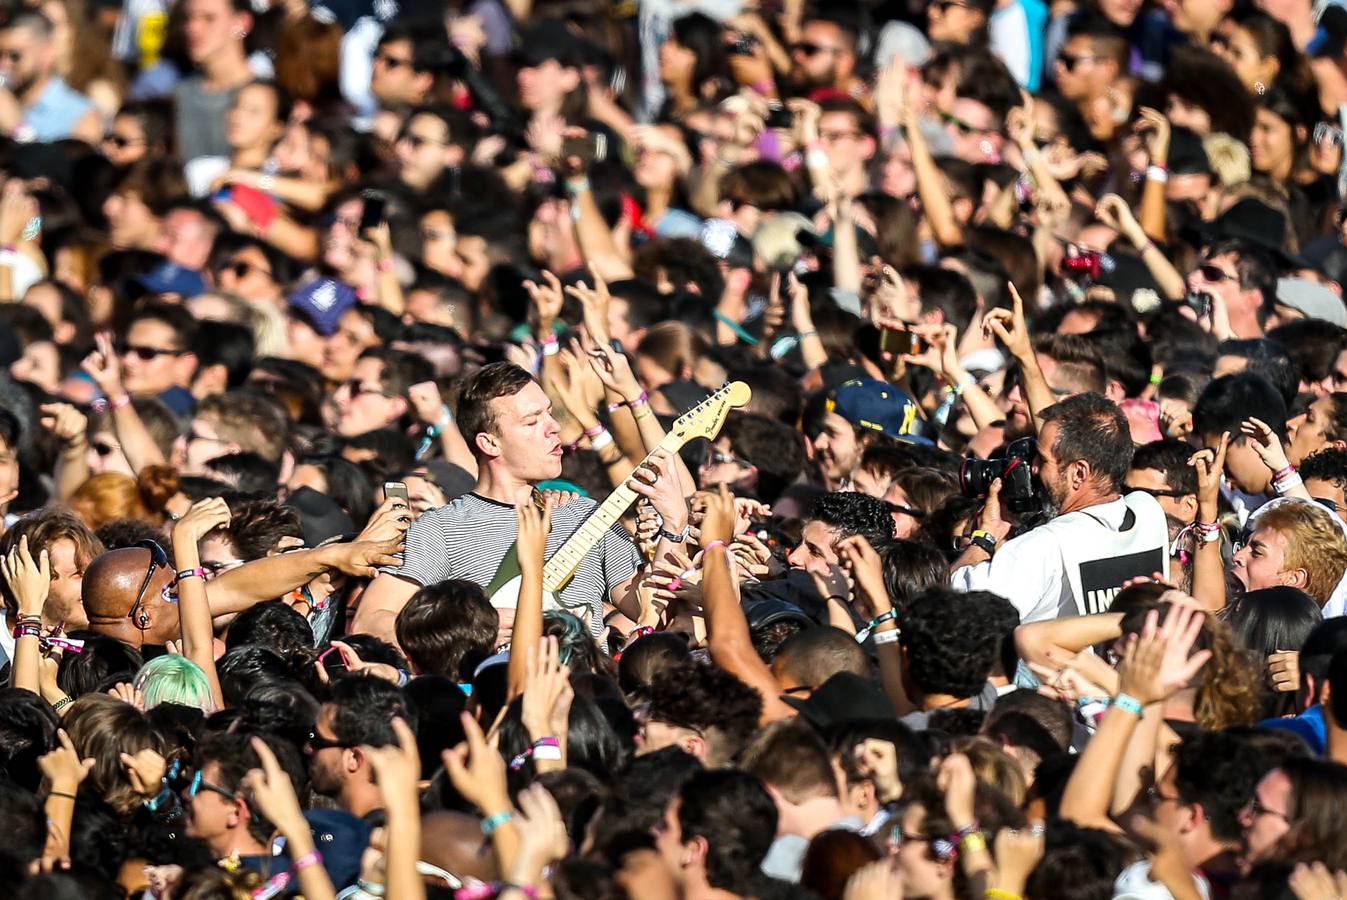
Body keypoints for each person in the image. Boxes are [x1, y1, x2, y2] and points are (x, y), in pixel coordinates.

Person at [952, 393, 1170, 621]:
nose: (1032, 468)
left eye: (1042, 460)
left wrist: (984, 538)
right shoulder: (1149, 513)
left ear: (1079, 473)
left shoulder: (1042, 547)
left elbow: (954, 609)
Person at [0, 10, 100, 143]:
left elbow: (62, 164)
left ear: (47, 53)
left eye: (15, 56)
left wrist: (18, 129)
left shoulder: (82, 117)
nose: (4, 65)